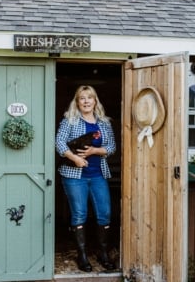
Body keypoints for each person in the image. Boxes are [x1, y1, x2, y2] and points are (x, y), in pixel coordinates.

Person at [55, 85, 116, 272]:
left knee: (104, 213)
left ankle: (102, 253)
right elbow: (59, 142)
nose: (87, 101)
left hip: (98, 175)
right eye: (82, 98)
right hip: (75, 176)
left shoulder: (104, 122)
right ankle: (82, 255)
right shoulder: (70, 120)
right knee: (79, 213)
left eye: (90, 98)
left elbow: (112, 146)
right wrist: (75, 158)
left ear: (95, 101)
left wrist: (94, 151)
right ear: (77, 101)